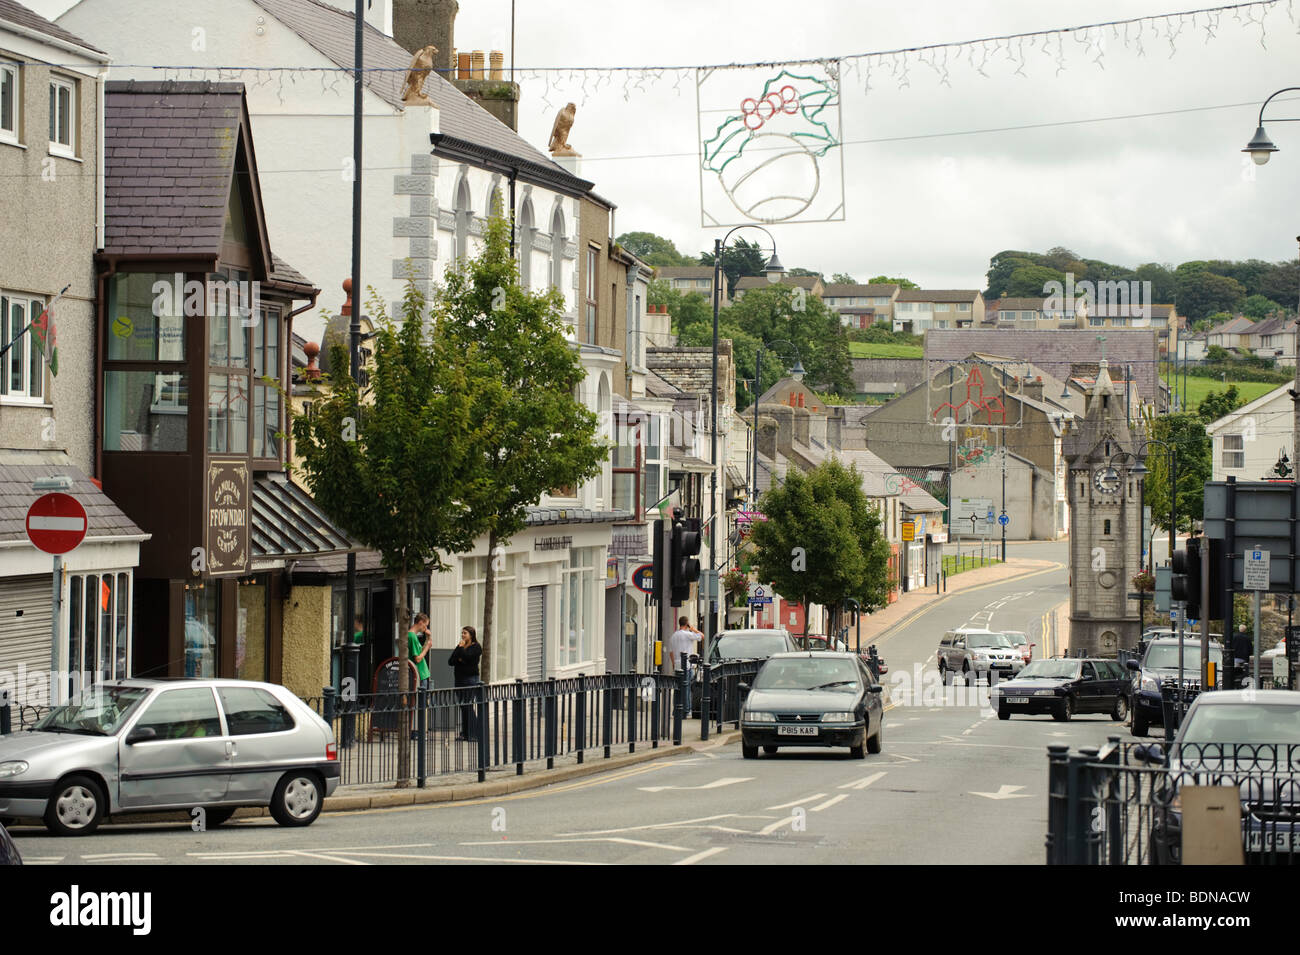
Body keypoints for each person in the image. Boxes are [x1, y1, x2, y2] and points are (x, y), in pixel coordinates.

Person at [449, 625, 483, 741]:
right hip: (459, 679)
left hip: (470, 679)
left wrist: (461, 655)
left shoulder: (476, 647)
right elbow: (451, 661)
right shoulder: (460, 645)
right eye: (462, 633)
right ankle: (465, 733)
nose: (463, 635)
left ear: (471, 635)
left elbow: (468, 658)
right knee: (463, 706)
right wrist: (460, 651)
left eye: (465, 633)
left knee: (468, 705)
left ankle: (474, 733)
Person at [667, 616, 703, 711]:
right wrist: (693, 629)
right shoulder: (688, 634)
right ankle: (687, 709)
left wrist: (674, 663)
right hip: (686, 665)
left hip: (677, 665)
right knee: (687, 687)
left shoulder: (673, 636)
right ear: (687, 624)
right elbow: (702, 636)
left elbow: (671, 653)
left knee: (677, 688)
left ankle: (676, 709)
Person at [407, 613, 433, 691]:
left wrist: (427, 639)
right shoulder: (412, 636)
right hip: (419, 674)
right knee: (421, 701)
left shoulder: (414, 636)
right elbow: (417, 659)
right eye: (425, 625)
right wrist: (427, 648)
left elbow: (420, 652)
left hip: (422, 674)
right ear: (420, 622)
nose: (426, 628)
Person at [1232, 623, 1253, 688]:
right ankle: (1243, 685)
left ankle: (1234, 684)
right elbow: (1250, 649)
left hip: (1235, 658)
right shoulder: (1247, 638)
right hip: (1244, 659)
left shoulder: (1234, 636)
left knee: (1234, 673)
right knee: (1244, 673)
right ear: (1245, 630)